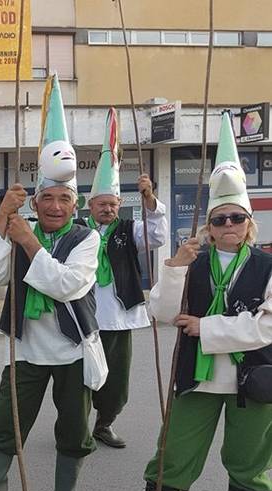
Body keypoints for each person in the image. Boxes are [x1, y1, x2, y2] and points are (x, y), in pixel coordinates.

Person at [115, 112, 272, 491]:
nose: (228, 226)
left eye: (236, 218)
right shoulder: (192, 261)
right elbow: (161, 314)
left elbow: (266, 326)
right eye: (220, 219)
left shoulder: (266, 268)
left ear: (248, 222)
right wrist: (174, 268)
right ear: (209, 223)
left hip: (253, 381)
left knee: (249, 459)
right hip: (197, 378)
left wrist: (207, 327)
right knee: (175, 450)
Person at [0, 75, 105, 491]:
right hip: (25, 350)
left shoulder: (87, 239)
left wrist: (30, 244)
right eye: (48, 198)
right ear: (37, 201)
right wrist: (4, 219)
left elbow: (69, 286)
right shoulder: (21, 228)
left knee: (74, 430)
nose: (56, 206)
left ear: (74, 202)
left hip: (72, 350)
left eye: (64, 198)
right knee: (5, 425)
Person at [85, 108, 169, 449]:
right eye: (102, 204)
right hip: (84, 318)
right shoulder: (78, 233)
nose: (108, 209)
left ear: (120, 205)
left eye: (113, 204)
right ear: (89, 205)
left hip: (118, 319)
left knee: (116, 381)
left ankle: (104, 424)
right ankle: (77, 425)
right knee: (80, 378)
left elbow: (158, 236)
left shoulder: (129, 229)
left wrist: (150, 200)